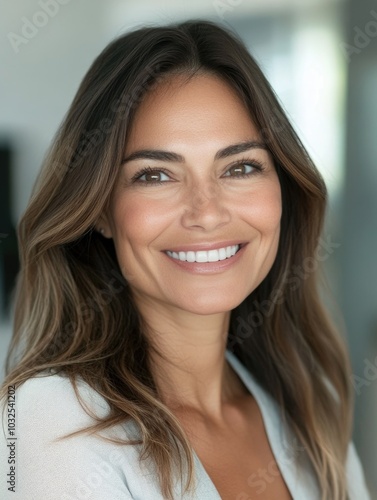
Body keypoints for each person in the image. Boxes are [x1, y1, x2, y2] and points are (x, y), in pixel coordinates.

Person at [0, 20, 371, 500]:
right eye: (155, 175)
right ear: (100, 211)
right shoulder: (52, 419)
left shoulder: (307, 404)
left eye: (240, 167)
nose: (207, 212)